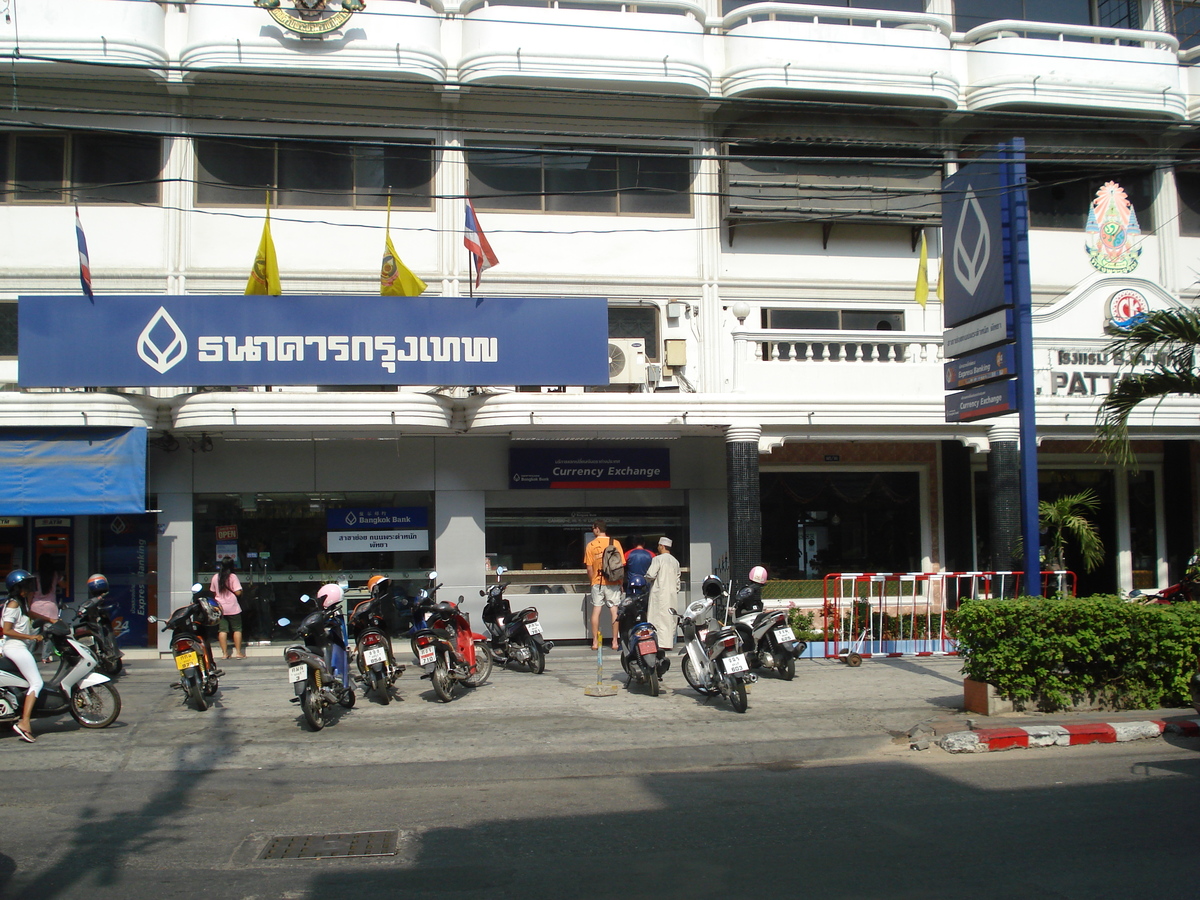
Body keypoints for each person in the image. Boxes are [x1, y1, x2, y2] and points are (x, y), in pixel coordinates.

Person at [2, 569, 45, 743]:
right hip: (15, 647)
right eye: (26, 585)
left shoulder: (21, 604)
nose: (30, 589)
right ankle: (25, 722)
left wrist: (50, 620)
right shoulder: (13, 605)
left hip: (18, 647)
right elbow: (7, 630)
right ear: (18, 587)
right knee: (37, 682)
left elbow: (30, 615)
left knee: (26, 681)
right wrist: (31, 637)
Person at [584, 519, 623, 650]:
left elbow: (589, 568)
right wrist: (620, 582)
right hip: (613, 582)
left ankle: (595, 642)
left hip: (597, 582)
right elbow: (621, 565)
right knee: (614, 611)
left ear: (597, 529)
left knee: (596, 610)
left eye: (593, 528)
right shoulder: (615, 543)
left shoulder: (591, 545)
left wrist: (592, 581)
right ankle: (614, 642)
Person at [644, 537, 681, 650]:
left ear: (662, 546)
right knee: (669, 619)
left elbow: (650, 574)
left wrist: (646, 579)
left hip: (659, 593)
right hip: (671, 594)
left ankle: (657, 643)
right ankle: (668, 643)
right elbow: (677, 581)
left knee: (657, 618)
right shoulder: (675, 561)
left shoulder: (658, 559)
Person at [210, 557, 245, 660]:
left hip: (220, 607)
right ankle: (238, 653)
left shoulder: (216, 577)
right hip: (233, 607)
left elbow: (213, 591)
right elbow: (238, 592)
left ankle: (225, 654)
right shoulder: (232, 577)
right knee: (237, 629)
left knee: (222, 630)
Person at [28, 556, 62, 661]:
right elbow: (64, 585)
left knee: (34, 633)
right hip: (50, 607)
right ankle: (45, 657)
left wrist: (28, 606)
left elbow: (30, 593)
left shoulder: (34, 576)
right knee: (49, 634)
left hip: (36, 607)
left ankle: (29, 654)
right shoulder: (55, 575)